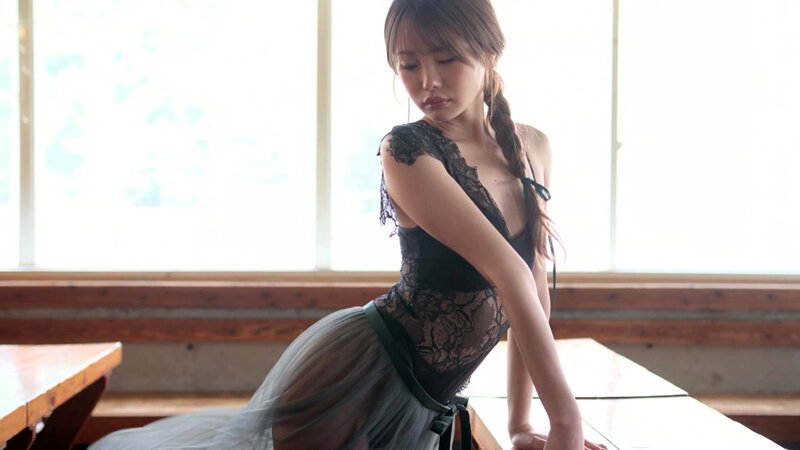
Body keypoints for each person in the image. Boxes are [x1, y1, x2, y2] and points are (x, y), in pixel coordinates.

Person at [90, 0, 604, 449]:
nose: (427, 81)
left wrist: (521, 424)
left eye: (446, 58)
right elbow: (508, 274)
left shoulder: (533, 147)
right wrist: (566, 420)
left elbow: (534, 288)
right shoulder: (407, 150)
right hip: (359, 381)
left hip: (424, 402)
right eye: (408, 65)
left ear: (490, 51)